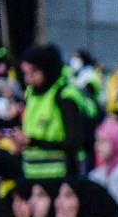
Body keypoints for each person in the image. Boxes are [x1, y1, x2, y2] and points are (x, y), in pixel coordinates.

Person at [17, 43, 97, 182]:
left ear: (46, 70)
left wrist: (33, 142)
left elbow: (75, 141)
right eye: (25, 73)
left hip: (61, 176)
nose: (28, 78)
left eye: (33, 72)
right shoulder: (32, 94)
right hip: (33, 174)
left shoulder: (65, 97)